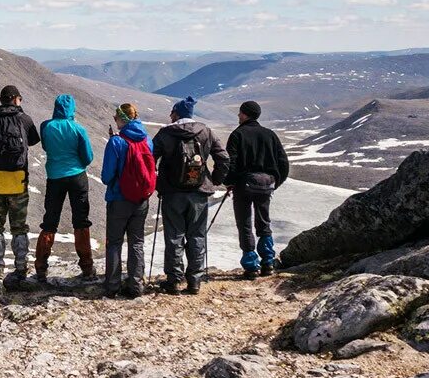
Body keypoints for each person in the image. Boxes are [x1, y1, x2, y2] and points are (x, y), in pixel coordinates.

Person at [152, 96, 229, 295]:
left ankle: (174, 281)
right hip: (199, 192)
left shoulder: (165, 134)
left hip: (172, 193)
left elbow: (149, 159)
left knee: (174, 236)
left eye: (172, 113)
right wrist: (216, 179)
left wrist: (157, 181)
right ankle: (194, 280)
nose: (170, 116)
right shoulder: (206, 131)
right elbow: (223, 157)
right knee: (197, 235)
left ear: (177, 114)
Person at [0, 85, 40, 281]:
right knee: (19, 225)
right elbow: (34, 140)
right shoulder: (24, 119)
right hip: (18, 180)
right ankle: (21, 266)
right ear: (15, 99)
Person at [225, 100, 290, 279]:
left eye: (240, 113)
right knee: (264, 223)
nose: (238, 115)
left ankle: (250, 266)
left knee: (245, 224)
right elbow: (283, 162)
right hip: (265, 185)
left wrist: (229, 182)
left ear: (246, 114)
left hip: (243, 186)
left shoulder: (237, 134)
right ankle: (268, 262)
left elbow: (231, 162)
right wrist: (275, 183)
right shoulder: (270, 135)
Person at [35, 94, 94, 283]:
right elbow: (88, 158)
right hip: (77, 176)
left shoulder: (46, 126)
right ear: (72, 109)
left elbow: (45, 147)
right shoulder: (78, 128)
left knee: (50, 221)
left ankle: (41, 268)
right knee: (81, 220)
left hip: (55, 177)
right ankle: (87, 267)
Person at [101, 103, 154, 298]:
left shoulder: (116, 142)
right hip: (141, 199)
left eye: (116, 118)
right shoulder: (147, 140)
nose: (115, 121)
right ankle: (136, 285)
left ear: (122, 118)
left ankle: (112, 286)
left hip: (118, 198)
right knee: (137, 242)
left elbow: (107, 176)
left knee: (114, 242)